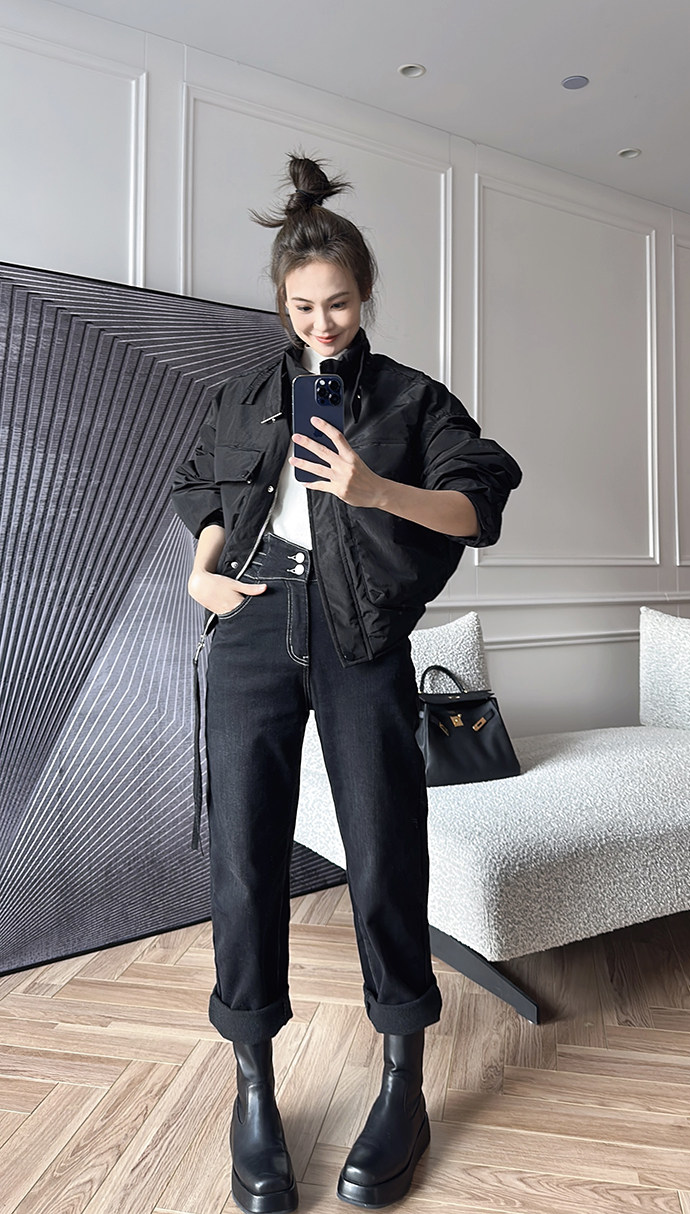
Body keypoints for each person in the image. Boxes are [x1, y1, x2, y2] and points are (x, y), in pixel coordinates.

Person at [171, 154, 522, 1214]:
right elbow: (206, 489)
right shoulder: (245, 394)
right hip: (251, 623)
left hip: (359, 630)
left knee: (384, 850)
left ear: (365, 296)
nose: (321, 324)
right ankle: (254, 1086)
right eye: (302, 307)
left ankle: (403, 1082)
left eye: (338, 304)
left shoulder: (412, 398)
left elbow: (479, 498)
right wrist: (203, 572)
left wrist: (376, 489)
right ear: (282, 303)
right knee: (244, 858)